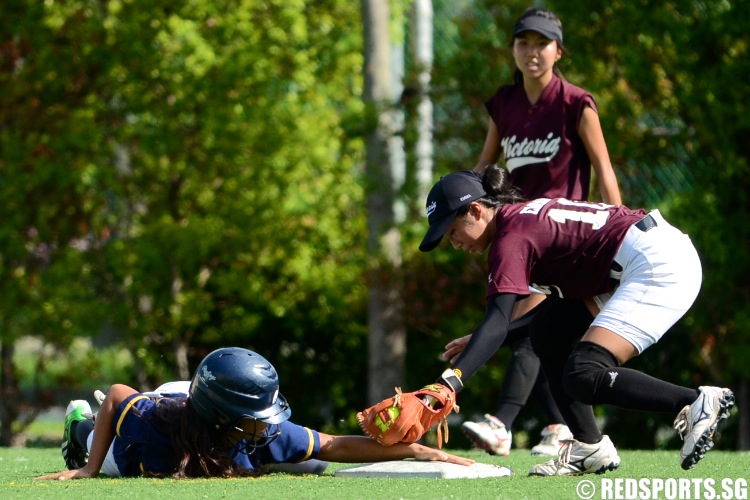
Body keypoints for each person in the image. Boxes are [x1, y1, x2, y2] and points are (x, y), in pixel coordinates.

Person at [419, 167, 734, 475]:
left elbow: (498, 318)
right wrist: (482, 339)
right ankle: (590, 447)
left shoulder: (509, 238)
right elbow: (509, 323)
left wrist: (448, 383)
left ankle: (696, 402)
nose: (454, 242)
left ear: (475, 209)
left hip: (656, 264)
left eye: (452, 231)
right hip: (638, 258)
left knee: (582, 373)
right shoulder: (516, 222)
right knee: (547, 331)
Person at [460, 6, 621, 458]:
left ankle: (503, 424)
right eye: (523, 43)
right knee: (536, 331)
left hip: (562, 237)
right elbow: (484, 166)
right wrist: (456, 208)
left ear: (558, 51)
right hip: (516, 232)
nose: (532, 52)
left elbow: (605, 174)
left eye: (541, 43)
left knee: (529, 327)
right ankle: (559, 426)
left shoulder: (575, 102)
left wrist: (618, 232)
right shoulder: (505, 103)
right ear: (512, 49)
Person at [37, 347, 474, 480]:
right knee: (95, 437)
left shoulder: (264, 432)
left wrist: (418, 451)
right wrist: (88, 472)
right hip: (152, 420)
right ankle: (77, 425)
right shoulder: (151, 427)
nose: (269, 423)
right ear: (225, 417)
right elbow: (116, 394)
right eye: (257, 416)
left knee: (310, 462)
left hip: (195, 405)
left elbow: (335, 444)